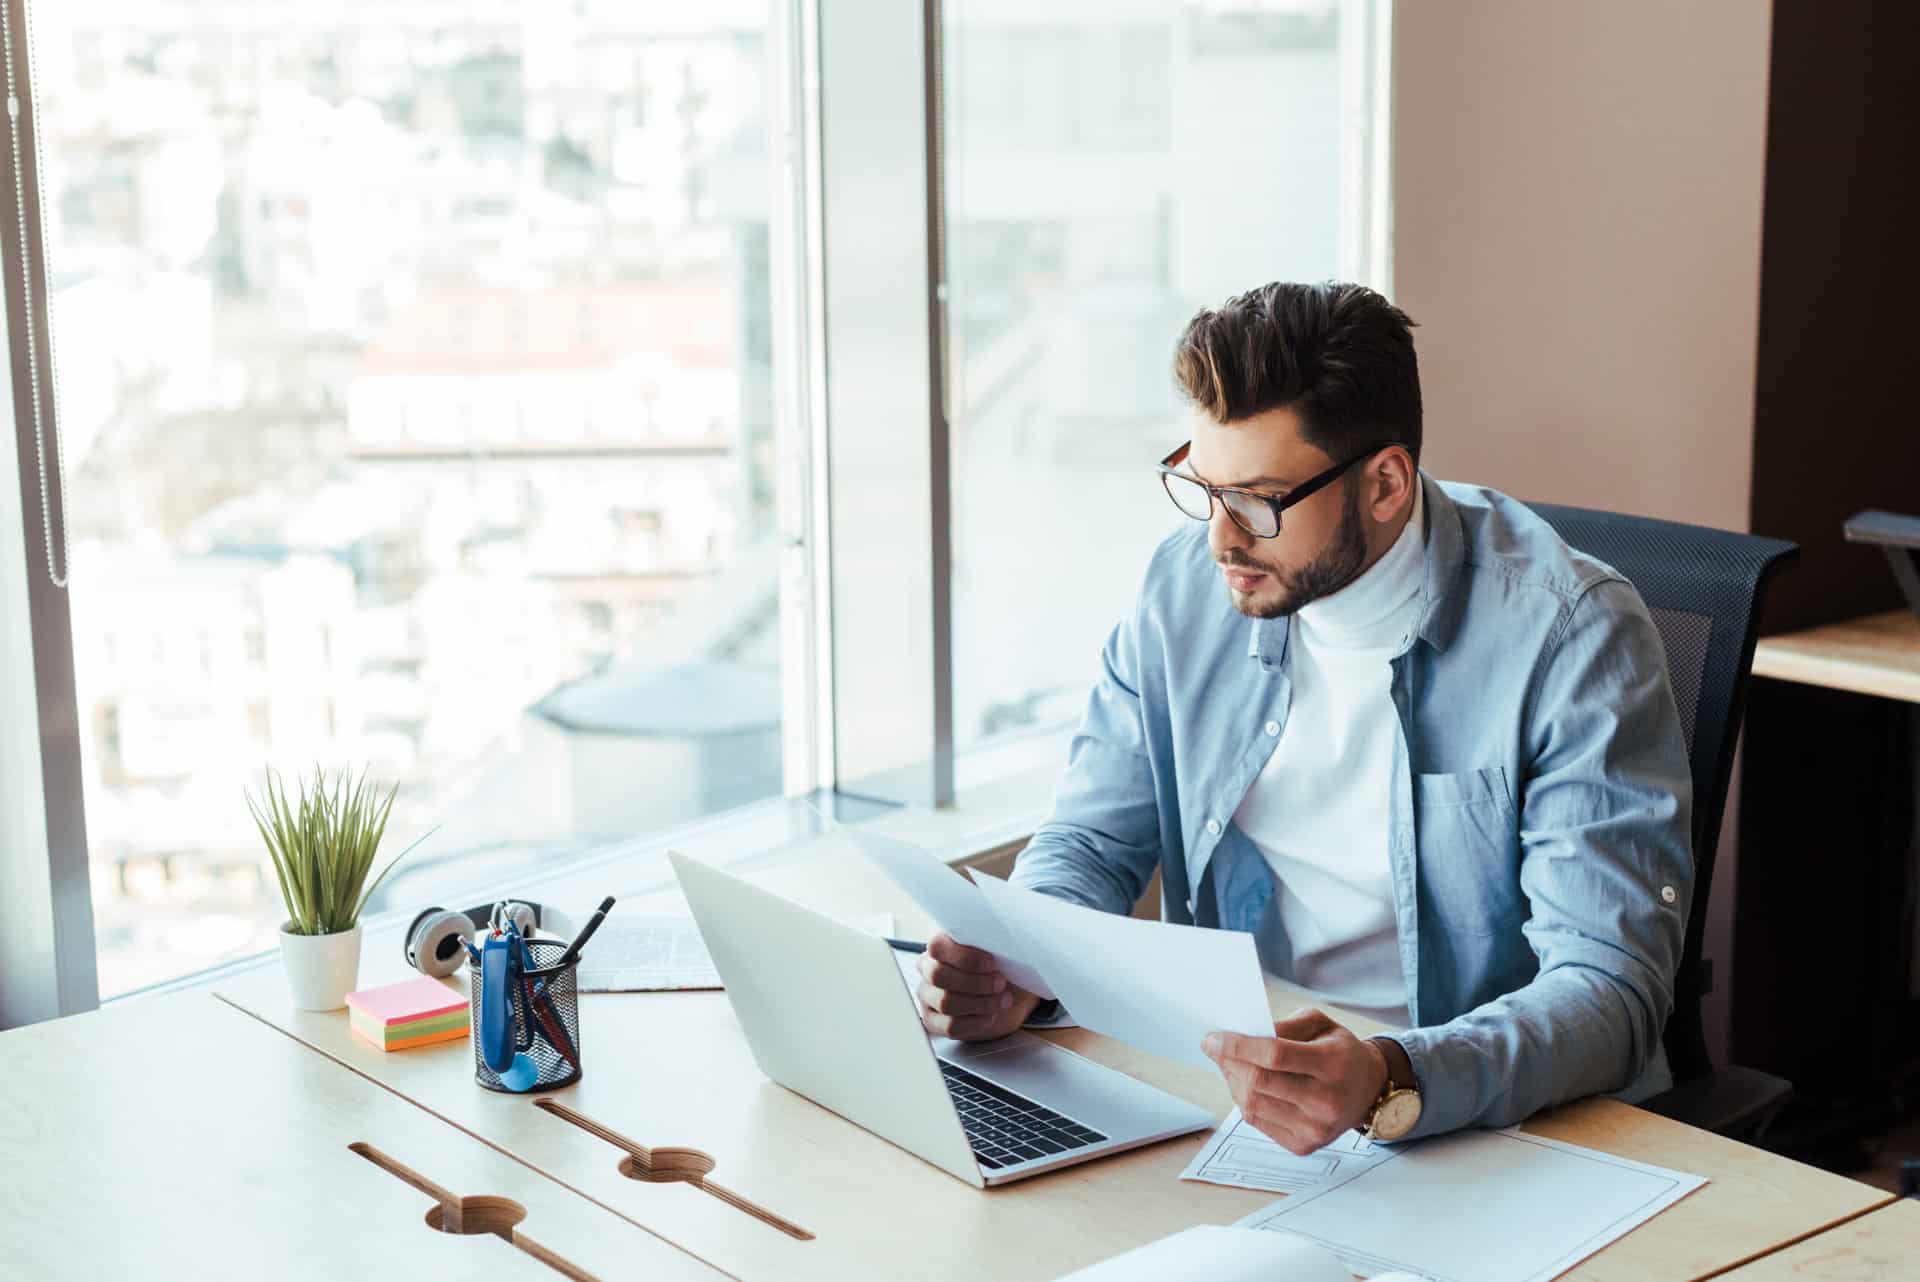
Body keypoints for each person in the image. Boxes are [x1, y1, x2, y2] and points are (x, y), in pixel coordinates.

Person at [913, 281, 1693, 1152]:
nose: (1219, 538)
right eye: (1201, 486)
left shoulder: (1570, 634)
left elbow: (1608, 987)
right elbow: (1092, 840)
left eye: (1256, 499)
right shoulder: (1182, 591)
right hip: (1229, 1092)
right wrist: (1025, 954)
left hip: (1478, 1119)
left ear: (1387, 483)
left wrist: (1393, 1076)